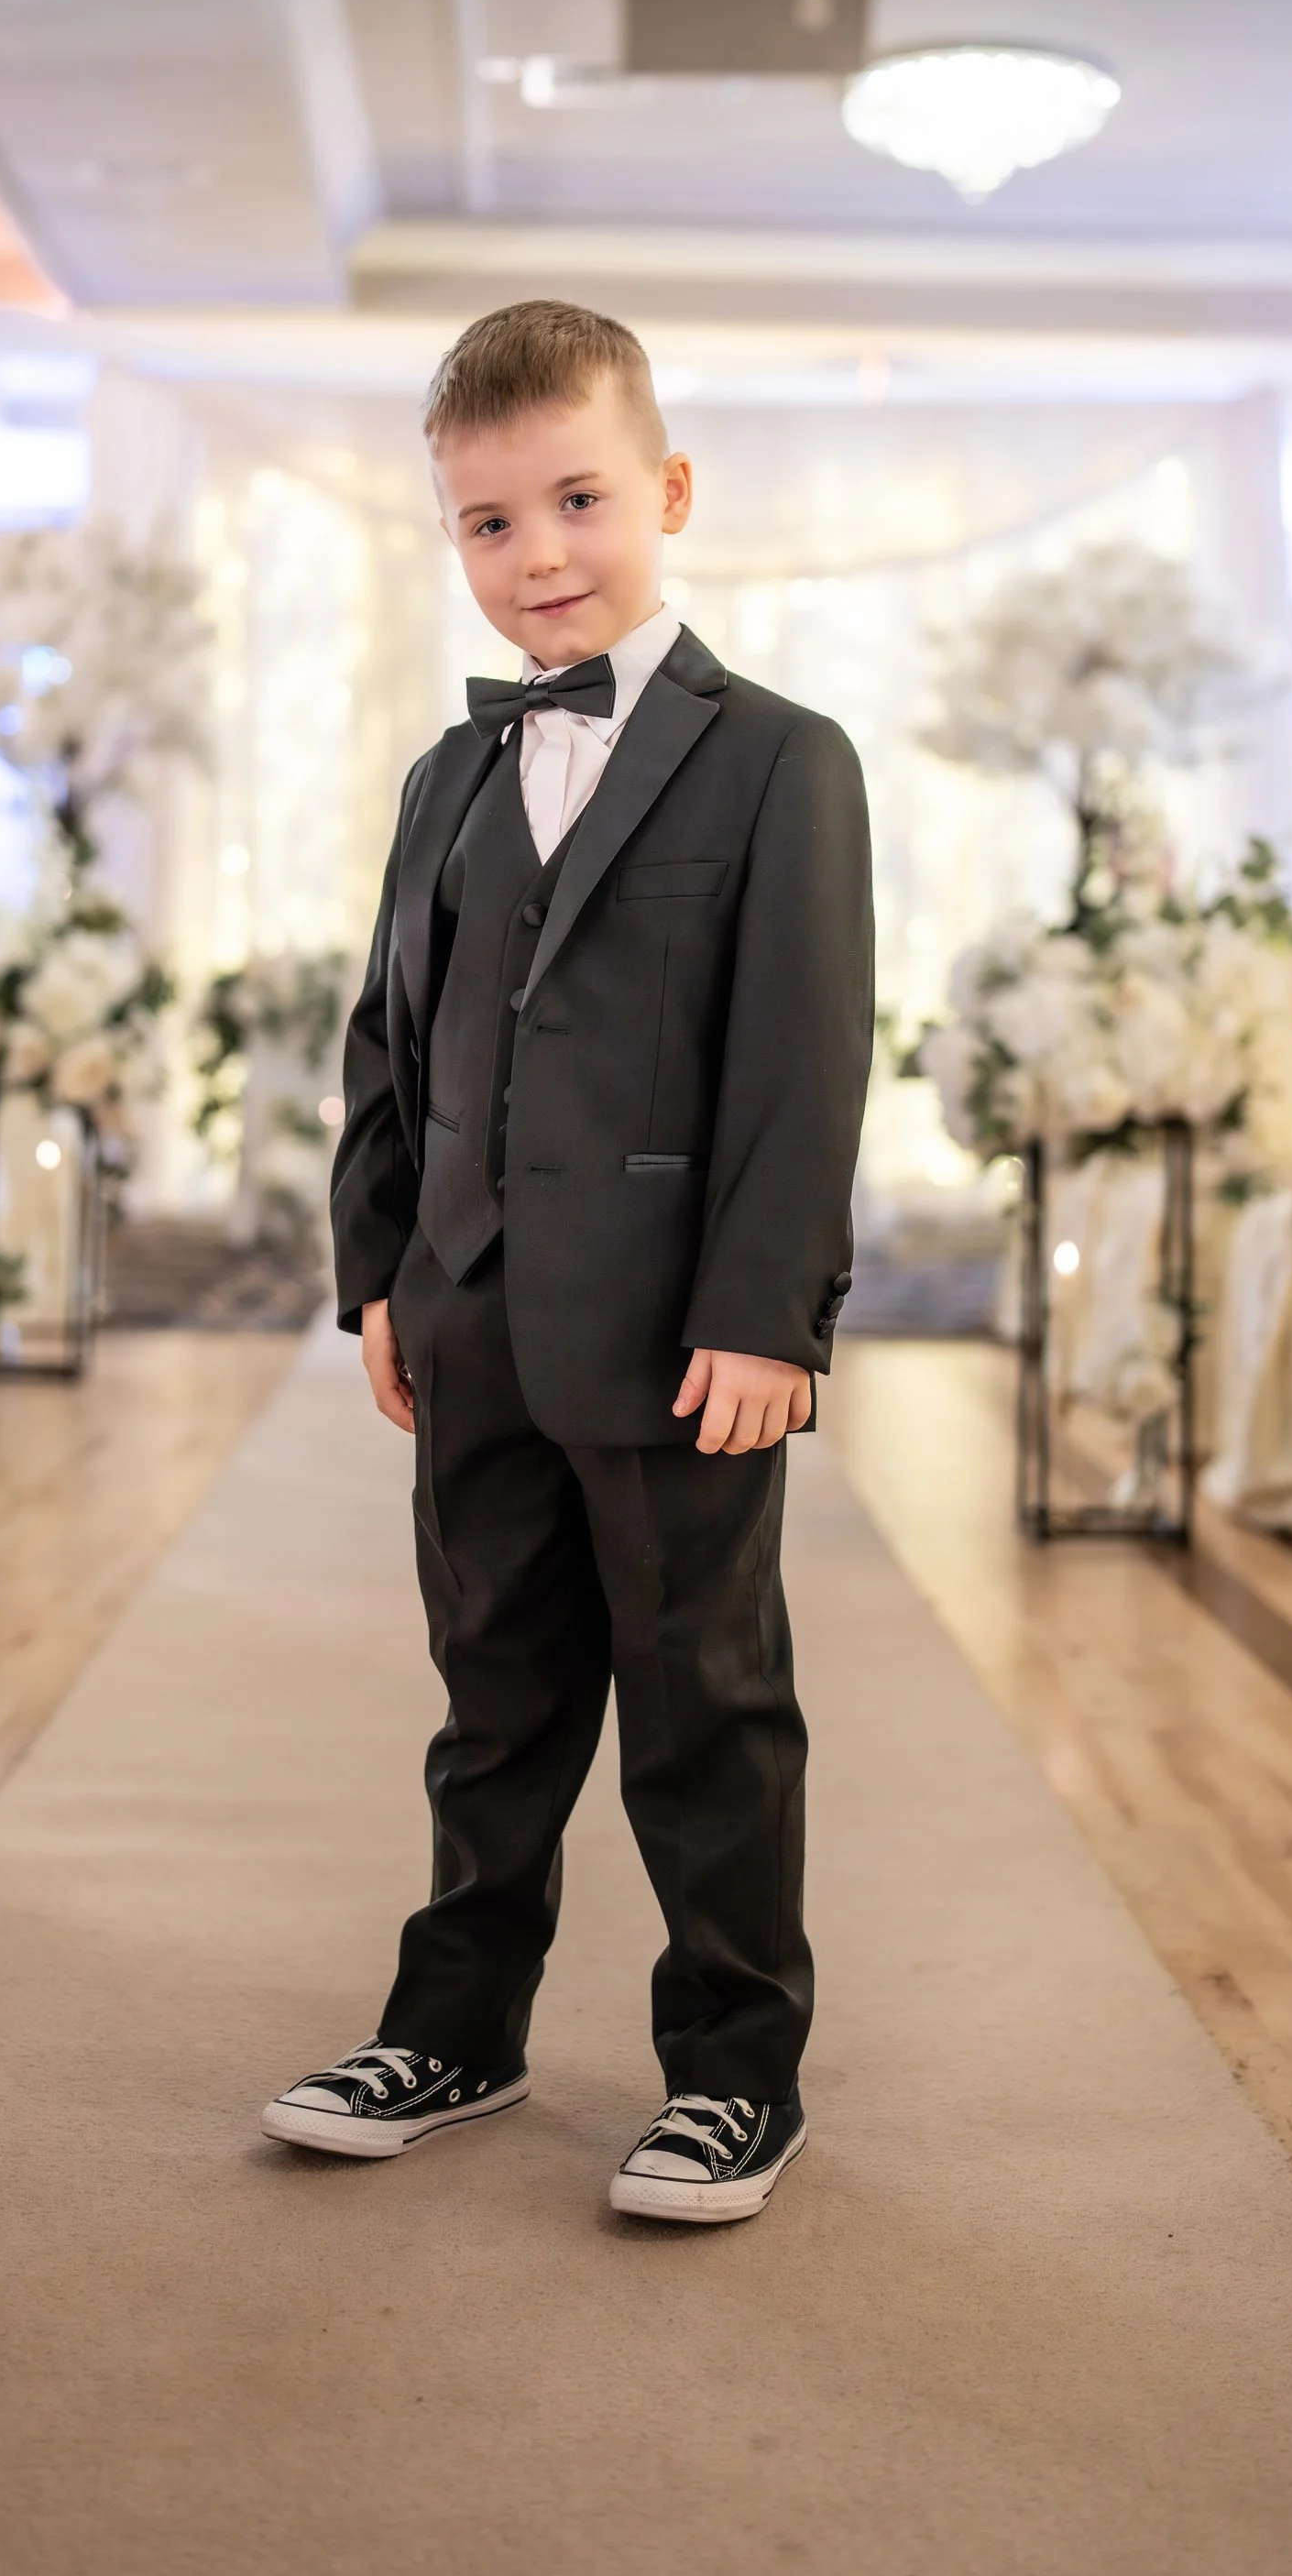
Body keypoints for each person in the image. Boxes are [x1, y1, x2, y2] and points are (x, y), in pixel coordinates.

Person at [261, 300, 873, 2226]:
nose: (537, 557)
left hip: (680, 1341)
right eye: (487, 522)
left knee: (704, 1707)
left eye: (578, 501)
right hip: (472, 1321)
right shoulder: (448, 776)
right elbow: (395, 1035)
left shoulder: (781, 761)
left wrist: (764, 1312)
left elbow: (800, 1055)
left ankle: (733, 2069)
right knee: (494, 1696)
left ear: (667, 490)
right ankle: (455, 2027)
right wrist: (379, 1273)